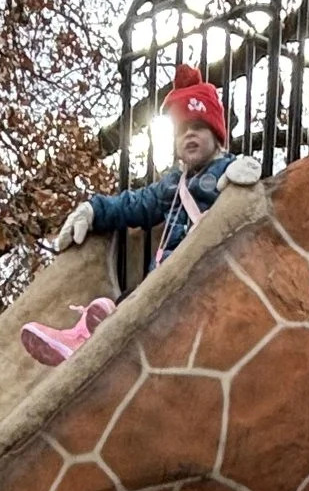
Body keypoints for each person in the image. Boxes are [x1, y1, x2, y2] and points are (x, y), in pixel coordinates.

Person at [21, 66, 255, 364]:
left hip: (203, 274)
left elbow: (249, 205)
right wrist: (93, 210)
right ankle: (82, 337)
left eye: (198, 126)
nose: (189, 134)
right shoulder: (173, 183)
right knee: (130, 298)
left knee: (133, 304)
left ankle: (95, 331)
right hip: (163, 277)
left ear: (218, 134)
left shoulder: (227, 170)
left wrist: (242, 177)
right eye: (182, 130)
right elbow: (136, 203)